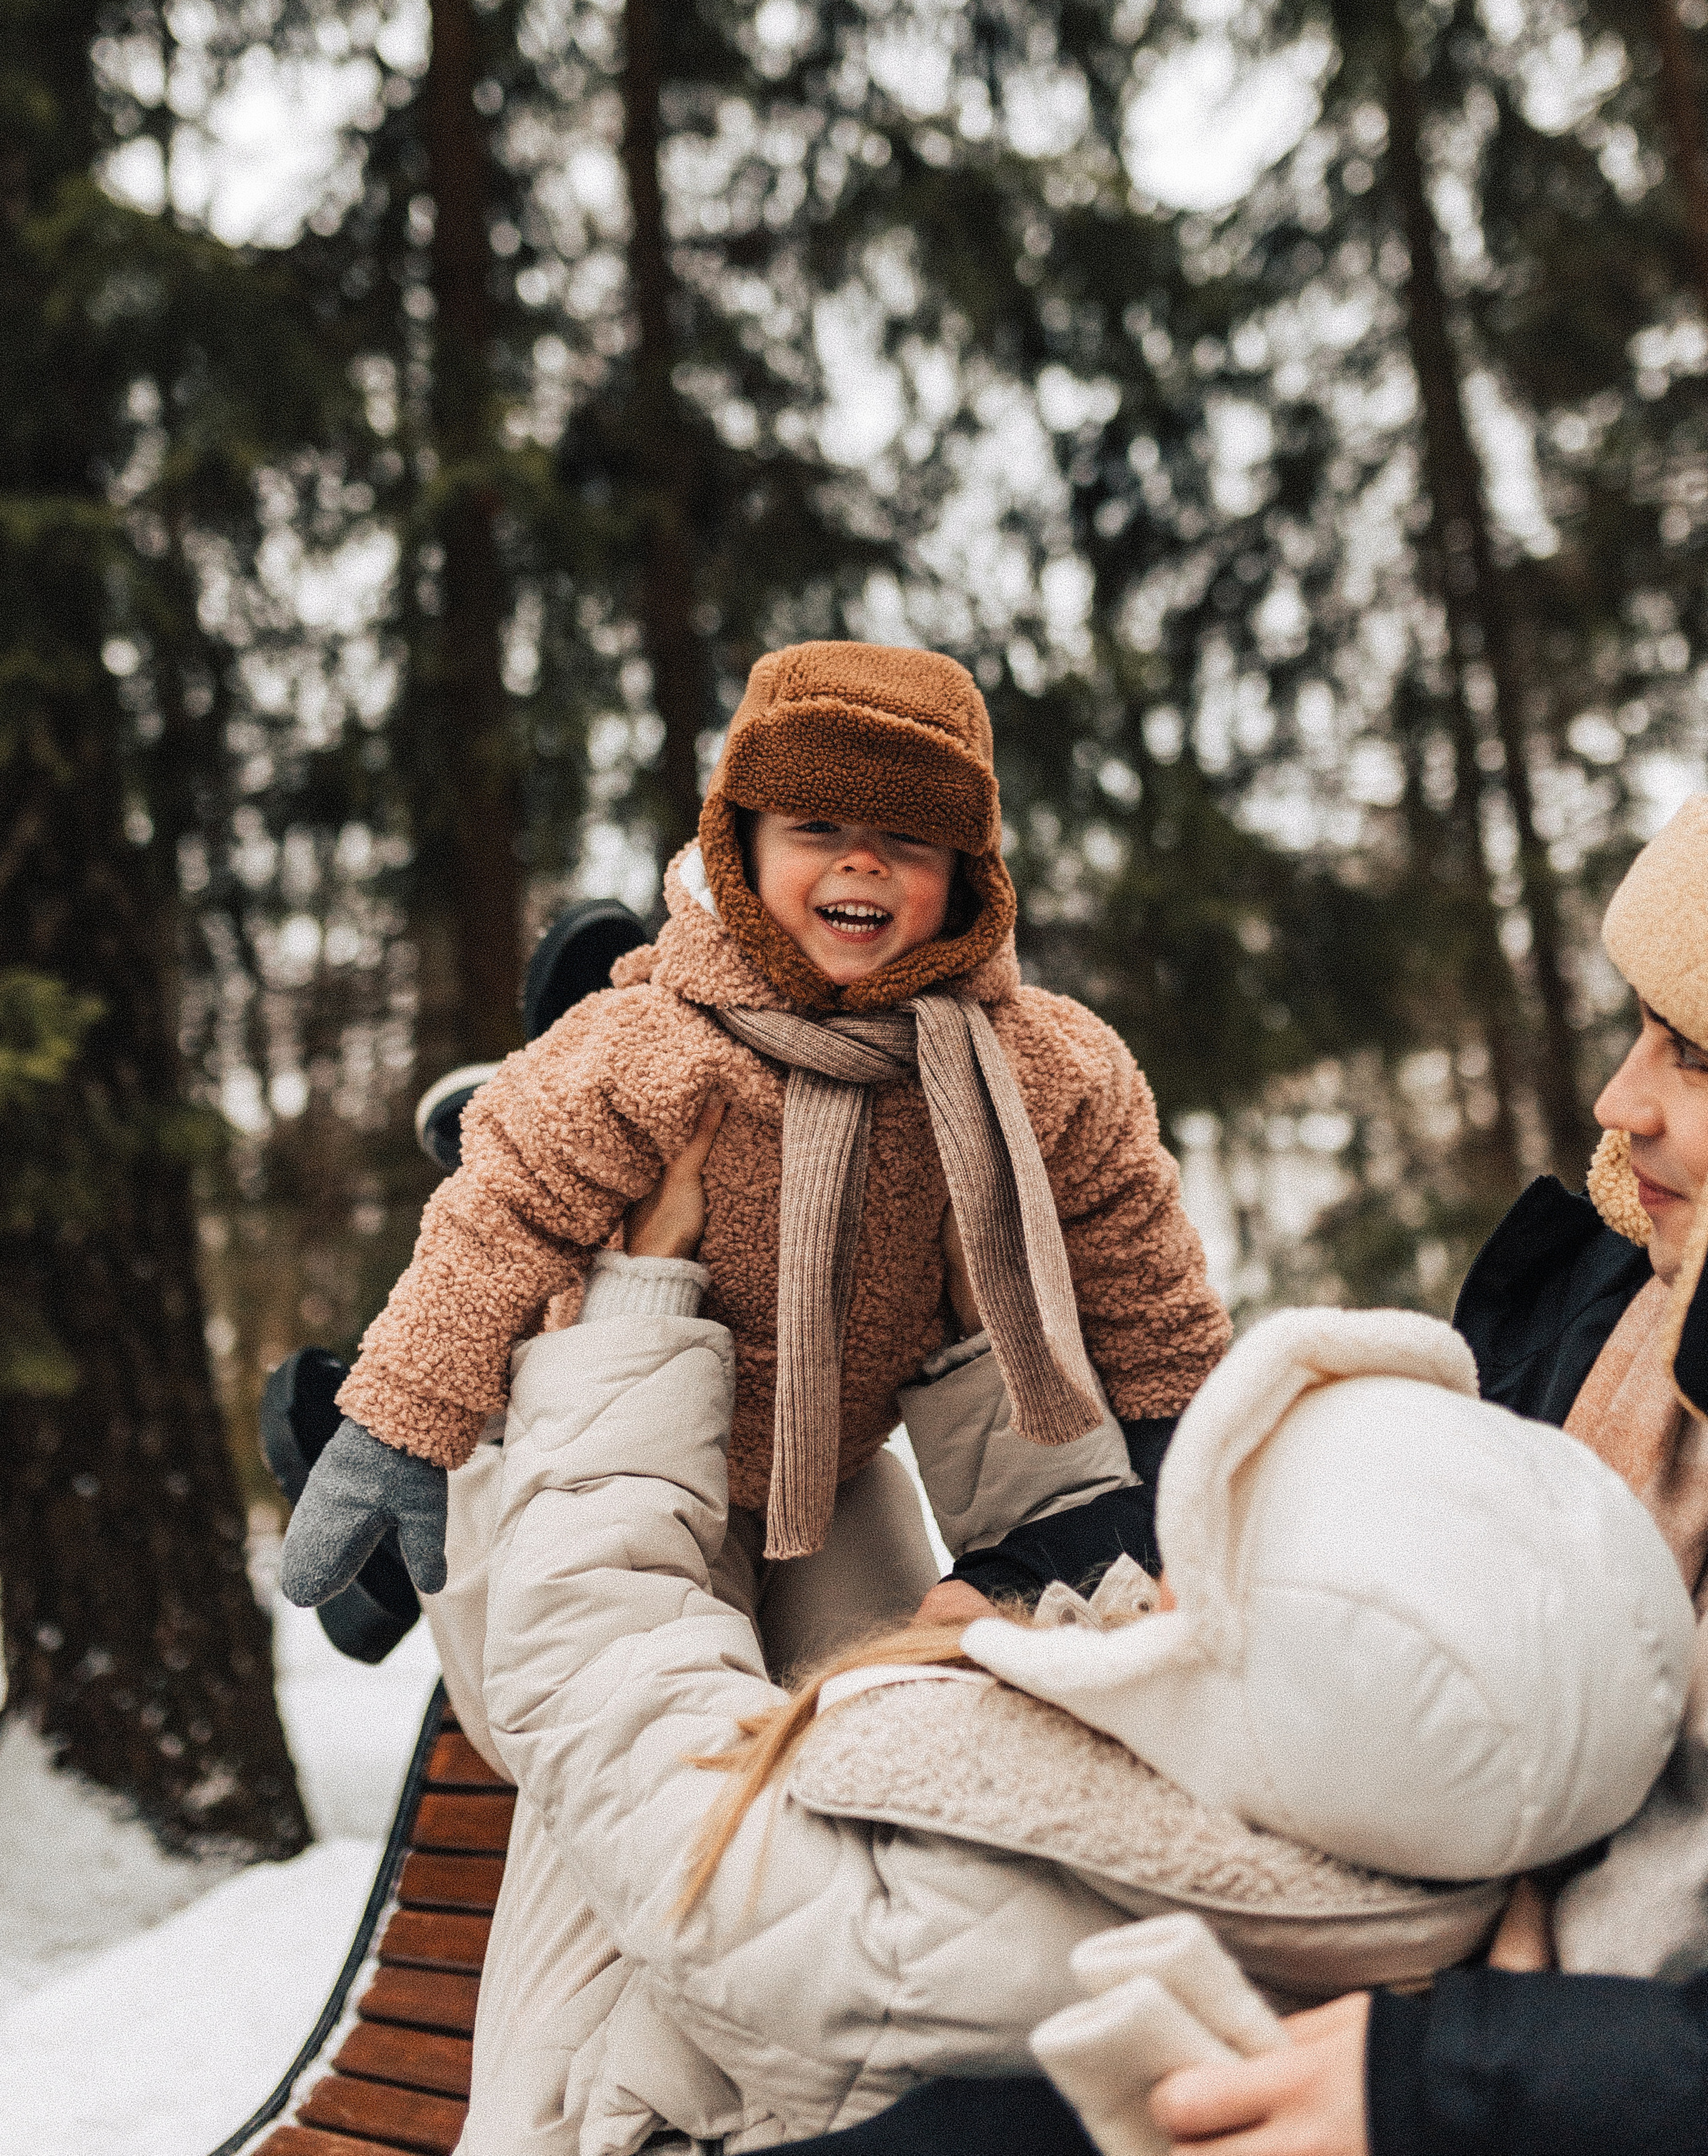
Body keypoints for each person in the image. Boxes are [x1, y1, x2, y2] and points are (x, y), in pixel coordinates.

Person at [457, 1243, 1686, 2156]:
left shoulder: (911, 1926)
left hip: (599, 2105)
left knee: (636, 1578)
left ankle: (472, 1453)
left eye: (1197, 1586)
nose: (1147, 1594)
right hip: (792, 1986)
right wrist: (965, 1320)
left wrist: (644, 1288)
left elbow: (594, 1659)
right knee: (834, 1499)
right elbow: (1151, 1627)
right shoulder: (1411, 1828)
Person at [279, 639, 1230, 1645]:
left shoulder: (1042, 1070)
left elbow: (1141, 1275)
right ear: (740, 847)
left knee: (880, 1673)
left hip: (833, 1467)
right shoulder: (655, 1047)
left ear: (967, 874)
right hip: (629, 1406)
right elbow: (501, 1215)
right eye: (815, 825)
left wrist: (1179, 1452)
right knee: (598, 1622)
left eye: (908, 838)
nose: (861, 859)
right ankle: (390, 1525)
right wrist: (402, 1423)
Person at [1151, 792, 1708, 2155]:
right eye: (1636, 1030)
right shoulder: (1608, 1298)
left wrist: (1445, 2081)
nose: (1618, 1100)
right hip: (1430, 1977)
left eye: (1694, 1055)